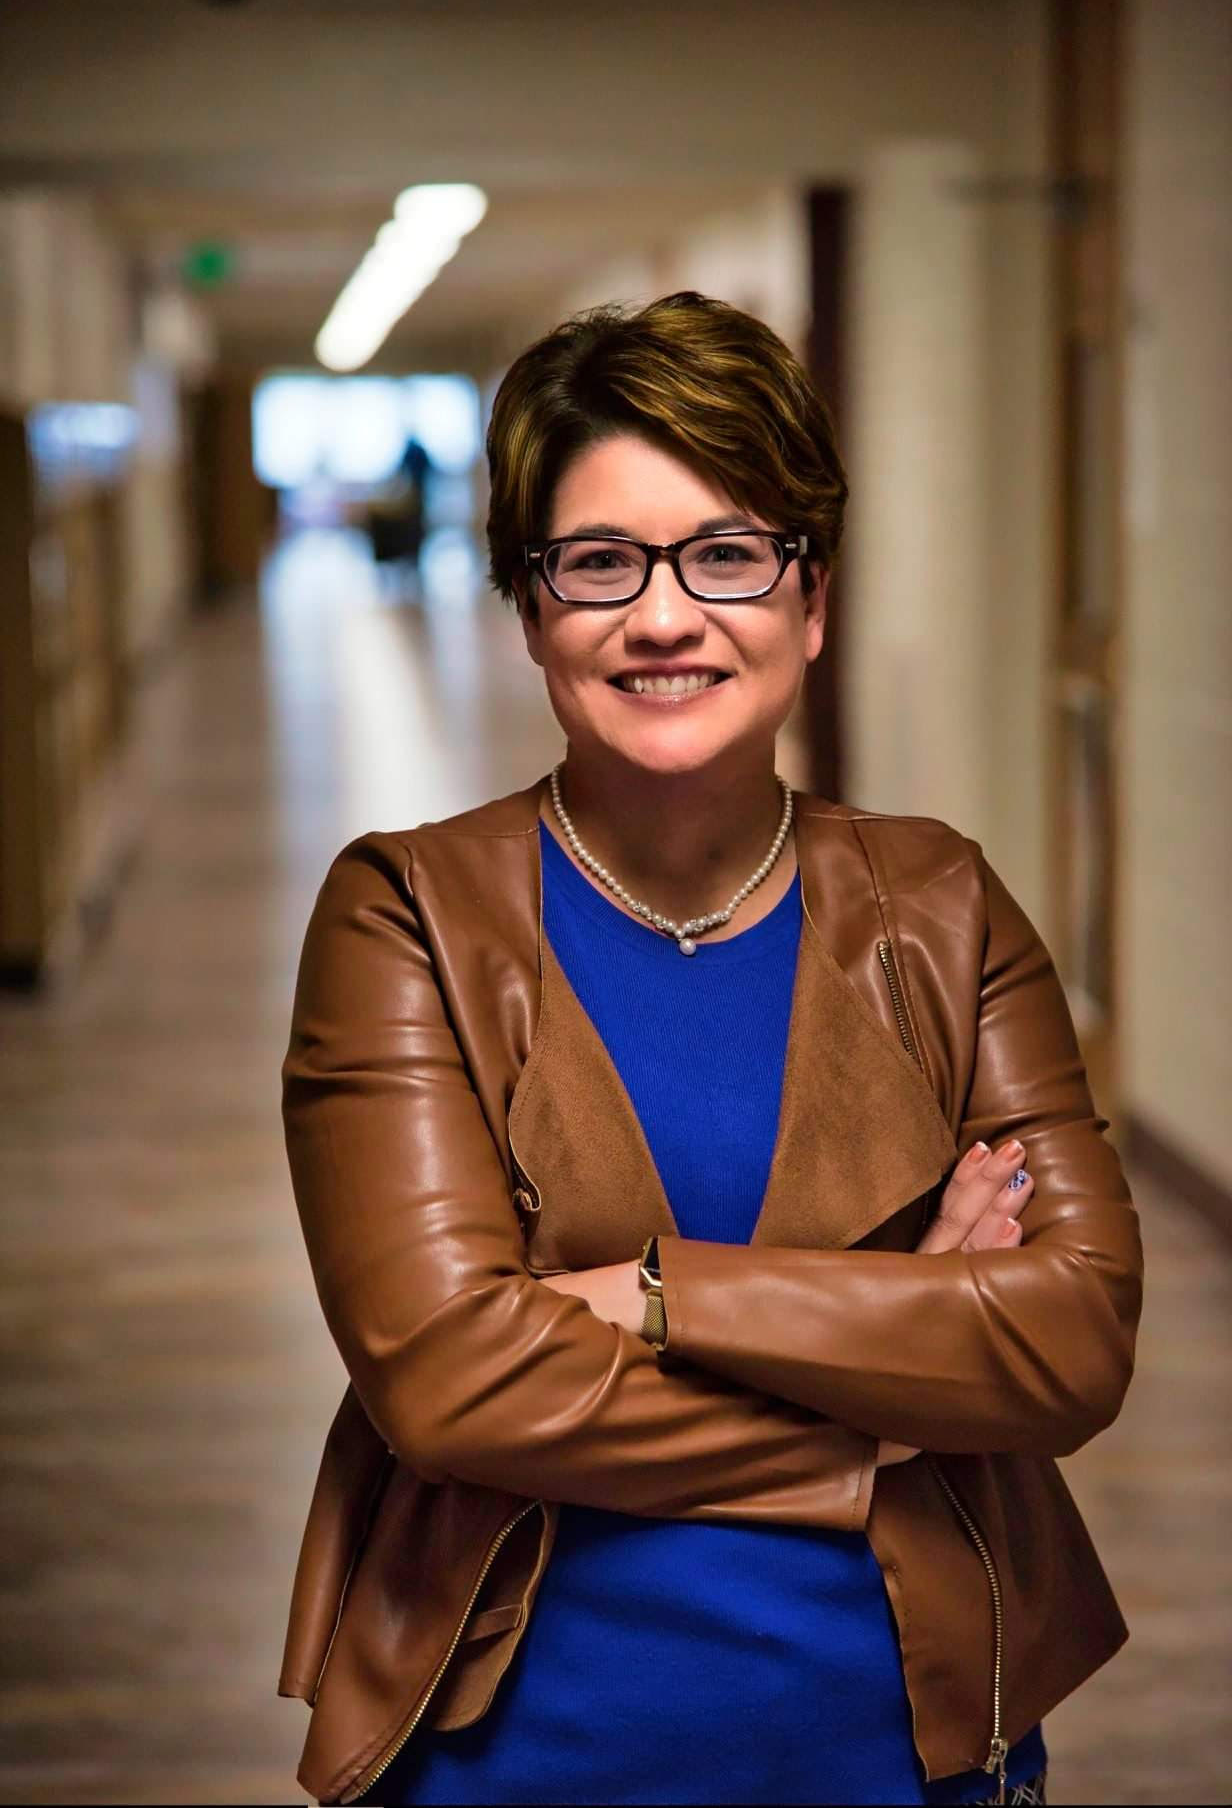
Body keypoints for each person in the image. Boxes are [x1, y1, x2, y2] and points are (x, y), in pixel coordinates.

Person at [278, 292, 1142, 1807]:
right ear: (531, 606)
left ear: (809, 601)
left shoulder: (934, 905)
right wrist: (895, 1370)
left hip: (907, 1746)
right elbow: (451, 1386)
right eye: (600, 561)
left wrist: (659, 1293)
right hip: (526, 1757)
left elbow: (1070, 1336)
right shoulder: (406, 916)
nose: (666, 615)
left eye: (728, 553)